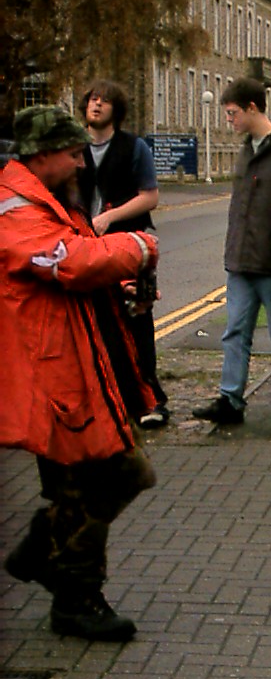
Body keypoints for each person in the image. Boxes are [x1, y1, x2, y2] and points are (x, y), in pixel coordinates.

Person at [1, 106, 160, 641]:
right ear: (41, 154)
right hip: (53, 381)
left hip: (73, 372)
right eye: (70, 152)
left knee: (105, 479)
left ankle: (47, 558)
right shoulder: (16, 209)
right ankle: (74, 595)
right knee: (105, 478)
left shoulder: (41, 201)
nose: (78, 161)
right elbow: (70, 261)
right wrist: (135, 246)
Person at [193, 78, 271, 426]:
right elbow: (241, 207)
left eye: (232, 114)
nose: (228, 120)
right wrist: (232, 252)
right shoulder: (248, 148)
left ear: (252, 108)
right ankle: (230, 399)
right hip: (242, 261)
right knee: (235, 331)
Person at [77, 79, 168, 429]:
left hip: (129, 244)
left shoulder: (134, 147)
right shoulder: (74, 147)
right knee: (91, 320)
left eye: (105, 101)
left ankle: (152, 399)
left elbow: (150, 196)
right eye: (92, 99)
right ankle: (103, 398)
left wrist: (109, 216)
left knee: (137, 317)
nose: (96, 105)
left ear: (117, 110)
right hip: (84, 247)